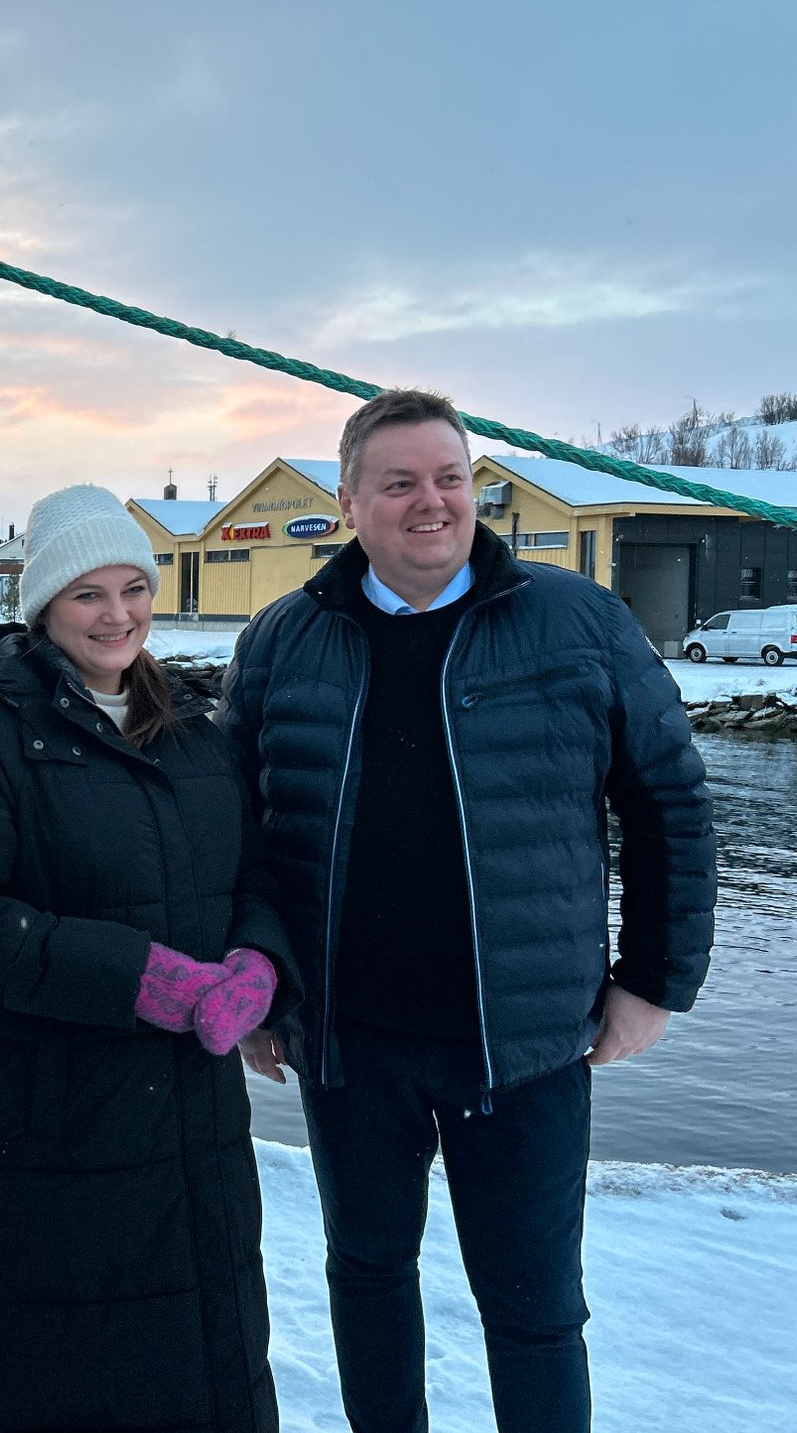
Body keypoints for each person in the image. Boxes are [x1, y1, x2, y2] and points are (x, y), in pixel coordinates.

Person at [219, 389, 716, 1433]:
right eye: (396, 483)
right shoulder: (281, 640)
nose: (429, 503)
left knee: (533, 1307)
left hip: (523, 1041)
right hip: (348, 1041)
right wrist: (251, 988)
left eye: (447, 478)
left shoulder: (573, 621)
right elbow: (235, 834)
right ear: (349, 501)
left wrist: (652, 981)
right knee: (365, 1275)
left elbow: (666, 800)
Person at [0, 483, 296, 1433]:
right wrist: (141, 979)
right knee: (48, 1366)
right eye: (88, 594)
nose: (117, 615)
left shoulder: (196, 735)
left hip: (193, 1121)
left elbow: (260, 870)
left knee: (203, 1349)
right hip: (47, 1121)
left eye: (133, 588)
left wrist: (259, 963)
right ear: (42, 606)